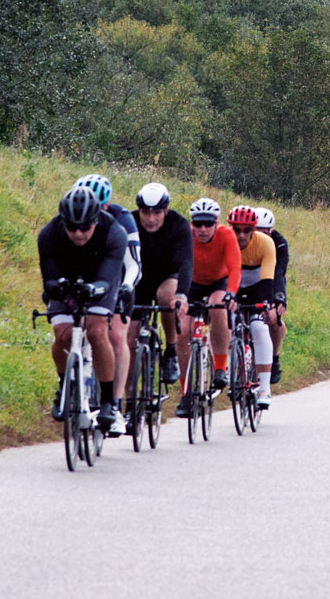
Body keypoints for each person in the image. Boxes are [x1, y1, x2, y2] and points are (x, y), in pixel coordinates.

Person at [38, 185, 128, 429]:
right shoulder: (48, 234)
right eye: (71, 227)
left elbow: (108, 277)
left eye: (85, 227)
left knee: (98, 332)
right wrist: (58, 288)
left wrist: (95, 289)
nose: (79, 233)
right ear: (62, 223)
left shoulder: (113, 233)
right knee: (62, 336)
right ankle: (63, 385)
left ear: (95, 221)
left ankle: (109, 401)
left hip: (101, 279)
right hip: (65, 278)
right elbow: (50, 277)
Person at [73, 174, 141, 437]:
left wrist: (127, 287)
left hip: (115, 276)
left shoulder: (122, 220)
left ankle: (114, 405)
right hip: (86, 274)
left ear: (106, 204)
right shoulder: (73, 216)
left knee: (115, 334)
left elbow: (133, 264)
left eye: (99, 206)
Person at [178, 197, 238, 415]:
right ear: (191, 223)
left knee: (217, 305)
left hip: (218, 282)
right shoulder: (186, 235)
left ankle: (221, 367)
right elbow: (180, 266)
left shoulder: (226, 235)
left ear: (217, 223)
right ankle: (185, 394)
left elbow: (235, 268)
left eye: (208, 224)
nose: (202, 229)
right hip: (192, 284)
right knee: (183, 331)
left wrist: (231, 293)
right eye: (198, 224)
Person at [128, 182, 191, 387]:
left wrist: (182, 295)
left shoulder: (179, 225)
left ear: (166, 210)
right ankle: (128, 401)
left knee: (167, 297)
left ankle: (170, 350)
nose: (151, 219)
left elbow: (186, 262)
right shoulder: (130, 222)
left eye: (157, 213)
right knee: (129, 338)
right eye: (145, 212)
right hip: (139, 278)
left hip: (168, 275)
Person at [228, 206, 275, 409]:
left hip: (257, 287)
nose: (241, 235)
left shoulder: (265, 243)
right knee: (227, 325)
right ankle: (230, 371)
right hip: (233, 286)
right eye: (236, 229)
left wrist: (267, 305)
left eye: (246, 230)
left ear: (253, 230)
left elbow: (268, 279)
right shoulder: (225, 241)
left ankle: (264, 387)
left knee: (259, 328)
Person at [255, 207, 288, 385]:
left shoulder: (279, 243)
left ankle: (274, 359)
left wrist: (279, 299)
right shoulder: (241, 238)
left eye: (263, 233)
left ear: (271, 231)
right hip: (247, 281)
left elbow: (279, 272)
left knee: (276, 319)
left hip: (271, 279)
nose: (259, 237)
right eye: (255, 232)